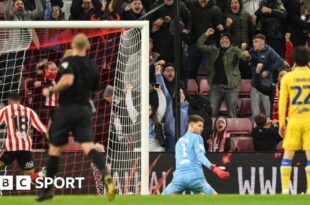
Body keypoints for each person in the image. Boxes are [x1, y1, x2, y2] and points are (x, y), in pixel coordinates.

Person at [36, 33, 115, 201]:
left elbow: (67, 80)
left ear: (73, 45)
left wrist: (51, 90)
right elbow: (95, 89)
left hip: (66, 110)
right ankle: (107, 176)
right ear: (87, 47)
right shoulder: (93, 66)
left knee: (55, 150)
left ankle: (47, 189)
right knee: (88, 147)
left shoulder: (67, 62)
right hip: (84, 110)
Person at [162, 115, 230, 195]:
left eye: (202, 126)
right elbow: (200, 156)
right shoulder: (197, 137)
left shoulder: (179, 141)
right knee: (215, 198)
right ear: (191, 125)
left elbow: (178, 161)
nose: (202, 128)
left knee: (162, 198)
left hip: (179, 178)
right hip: (195, 178)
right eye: (199, 125)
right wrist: (213, 168)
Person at [196, 29, 251, 118]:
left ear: (230, 40)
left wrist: (247, 56)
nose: (224, 40)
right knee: (211, 113)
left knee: (232, 115)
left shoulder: (235, 50)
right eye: (222, 39)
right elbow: (199, 45)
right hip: (216, 87)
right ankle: (211, 131)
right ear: (219, 40)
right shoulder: (213, 50)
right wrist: (206, 34)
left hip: (231, 88)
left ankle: (230, 131)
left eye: (226, 38)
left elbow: (244, 57)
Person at [279, 47, 310, 194]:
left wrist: (281, 124)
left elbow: (282, 103)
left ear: (294, 60)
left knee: (288, 155)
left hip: (294, 121)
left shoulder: (287, 77)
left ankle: (285, 190)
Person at [0, 92, 47, 181]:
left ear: (9, 101)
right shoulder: (30, 111)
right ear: (20, 100)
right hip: (25, 148)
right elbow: (43, 129)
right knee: (29, 176)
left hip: (11, 147)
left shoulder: (6, 110)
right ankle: (42, 173)